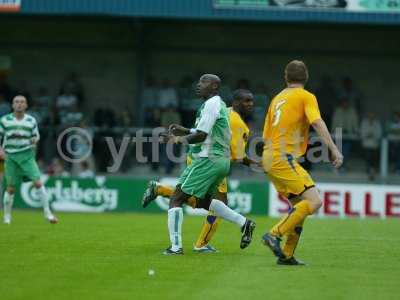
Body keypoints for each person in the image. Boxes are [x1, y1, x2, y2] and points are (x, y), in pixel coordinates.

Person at [145, 74, 256, 255]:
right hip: (219, 161)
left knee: (177, 198)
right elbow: (205, 131)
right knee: (205, 202)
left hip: (207, 159)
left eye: (203, 82)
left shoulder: (212, 104)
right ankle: (244, 223)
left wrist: (177, 139)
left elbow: (202, 136)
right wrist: (186, 130)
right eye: (199, 82)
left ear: (214, 87)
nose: (198, 85)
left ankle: (175, 247)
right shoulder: (217, 105)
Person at [261, 61, 343, 265]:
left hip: (270, 155)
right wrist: (333, 148)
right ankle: (273, 234)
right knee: (315, 202)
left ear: (285, 77)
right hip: (283, 156)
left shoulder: (277, 98)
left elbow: (265, 134)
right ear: (306, 76)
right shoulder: (306, 96)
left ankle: (287, 255)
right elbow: (317, 121)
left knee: (300, 205)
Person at [0, 95, 58, 224]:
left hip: (27, 155)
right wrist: (1, 150)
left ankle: (48, 214)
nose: (19, 104)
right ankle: (7, 217)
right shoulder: (4, 120)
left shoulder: (31, 120)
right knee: (10, 188)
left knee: (38, 183)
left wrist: (34, 140)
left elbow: (36, 136)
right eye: (16, 102)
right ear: (12, 105)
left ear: (26, 105)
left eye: (22, 102)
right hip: (11, 157)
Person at [360, 113, 382, 180]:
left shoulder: (377, 123)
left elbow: (379, 133)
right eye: (370, 116)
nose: (371, 118)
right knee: (368, 158)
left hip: (375, 145)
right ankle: (369, 170)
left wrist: (373, 134)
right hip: (366, 144)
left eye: (372, 116)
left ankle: (372, 171)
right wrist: (368, 134)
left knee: (374, 159)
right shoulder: (364, 122)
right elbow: (361, 132)